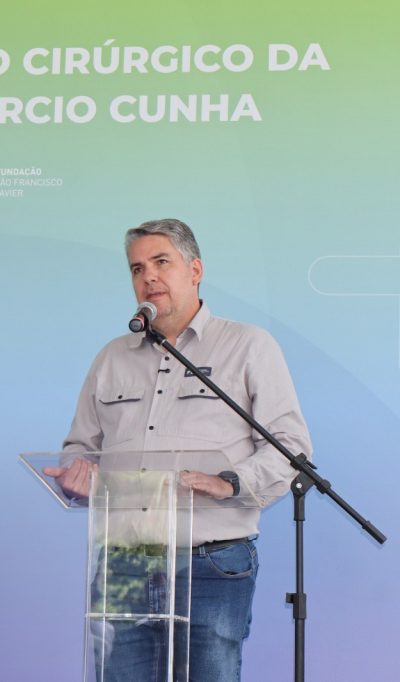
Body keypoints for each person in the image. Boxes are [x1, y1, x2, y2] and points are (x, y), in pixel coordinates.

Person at [43, 219, 312, 682]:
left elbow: (290, 448)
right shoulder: (112, 357)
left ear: (195, 270)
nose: (148, 276)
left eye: (161, 262)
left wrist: (228, 483)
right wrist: (75, 474)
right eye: (137, 268)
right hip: (125, 561)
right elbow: (81, 448)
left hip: (210, 562)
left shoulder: (247, 346)